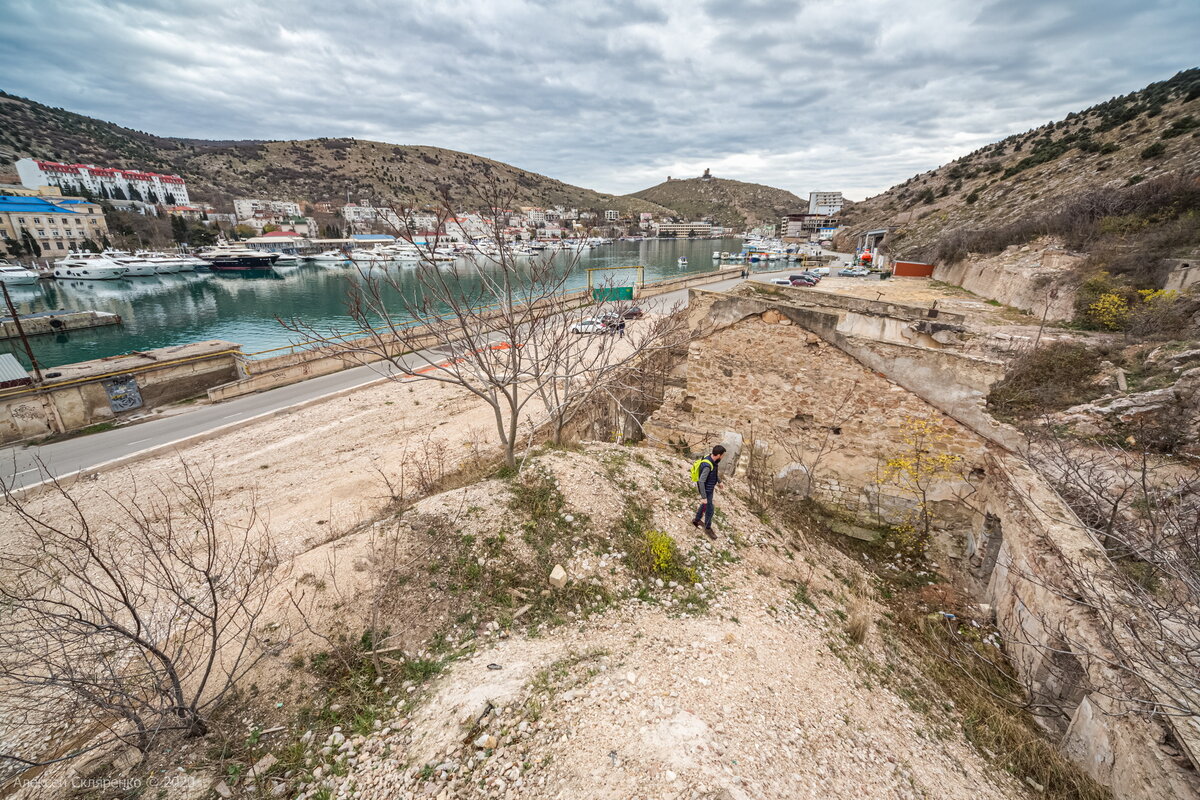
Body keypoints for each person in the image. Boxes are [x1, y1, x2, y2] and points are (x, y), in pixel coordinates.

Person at [691, 445, 726, 539]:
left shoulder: (711, 459)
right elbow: (701, 481)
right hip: (706, 490)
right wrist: (704, 496)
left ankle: (696, 520)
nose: (722, 457)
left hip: (709, 488)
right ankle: (708, 528)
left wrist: (719, 481)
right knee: (710, 509)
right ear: (718, 455)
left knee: (705, 505)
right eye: (722, 456)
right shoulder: (707, 465)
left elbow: (714, 472)